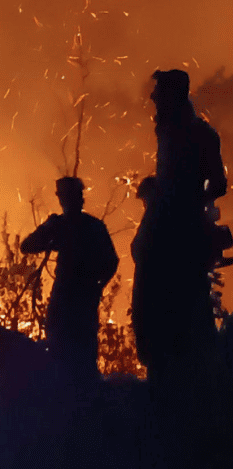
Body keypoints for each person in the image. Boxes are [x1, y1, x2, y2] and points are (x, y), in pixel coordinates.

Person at [132, 69, 226, 389]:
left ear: (172, 95)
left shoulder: (189, 134)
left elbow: (218, 184)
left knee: (172, 310)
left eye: (158, 92)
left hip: (174, 238)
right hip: (174, 233)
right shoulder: (183, 132)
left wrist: (182, 199)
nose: (152, 98)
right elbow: (219, 184)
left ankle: (184, 387)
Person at [20, 177, 118, 386]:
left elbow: (27, 246)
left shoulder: (64, 226)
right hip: (81, 302)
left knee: (62, 353)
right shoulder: (90, 226)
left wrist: (47, 228)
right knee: (80, 357)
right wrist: (97, 287)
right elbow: (112, 262)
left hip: (67, 301)